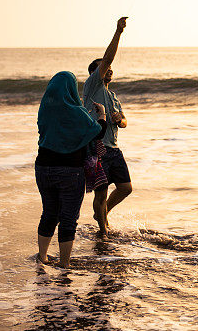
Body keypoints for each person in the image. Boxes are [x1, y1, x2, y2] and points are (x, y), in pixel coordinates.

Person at [35, 71, 107, 268]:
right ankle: (64, 264)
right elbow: (98, 132)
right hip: (70, 170)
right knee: (68, 218)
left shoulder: (44, 109)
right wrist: (102, 115)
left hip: (42, 168)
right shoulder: (76, 112)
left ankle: (42, 257)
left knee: (49, 213)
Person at [83, 16, 131, 238]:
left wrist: (120, 119)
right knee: (100, 194)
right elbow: (107, 58)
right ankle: (103, 231)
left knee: (125, 188)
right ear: (97, 72)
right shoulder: (93, 86)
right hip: (97, 148)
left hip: (114, 148)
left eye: (111, 68)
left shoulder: (112, 95)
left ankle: (102, 215)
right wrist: (118, 32)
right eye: (105, 67)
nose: (109, 69)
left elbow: (125, 122)